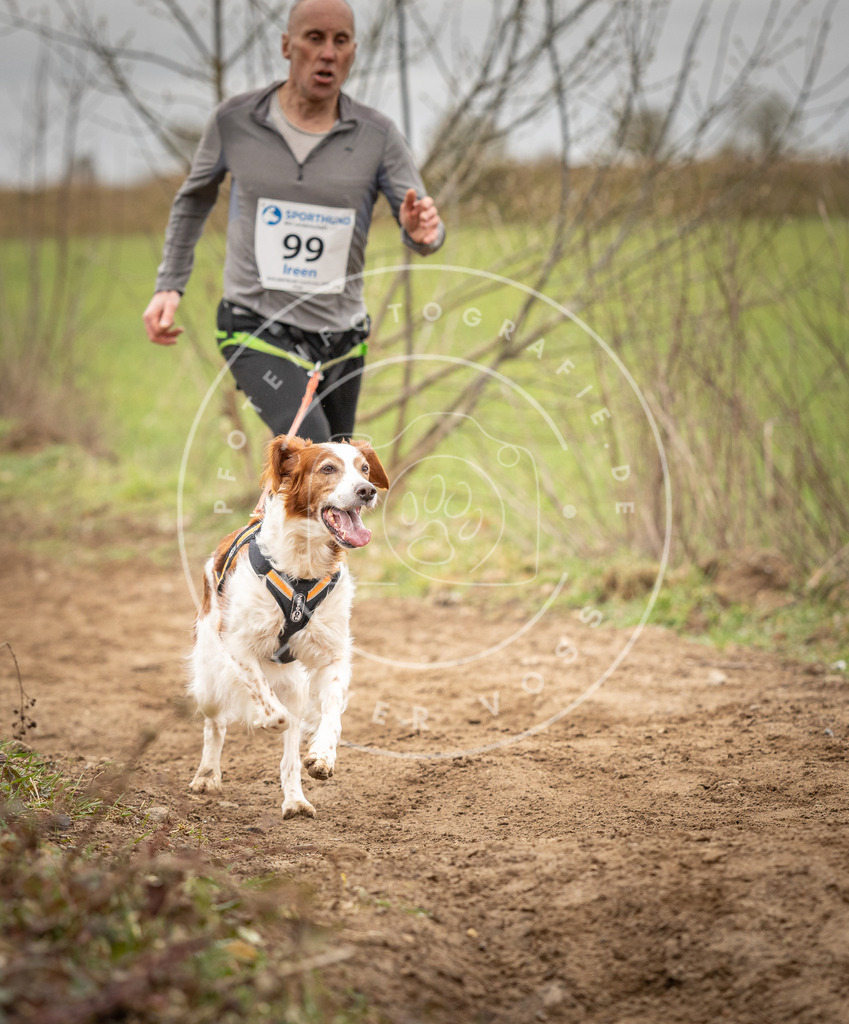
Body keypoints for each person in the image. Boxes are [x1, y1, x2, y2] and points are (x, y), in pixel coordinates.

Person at [142, 0, 444, 443]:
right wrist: (170, 283)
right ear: (287, 45)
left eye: (340, 41)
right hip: (255, 324)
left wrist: (423, 233)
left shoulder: (377, 136)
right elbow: (193, 200)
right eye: (315, 38)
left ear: (353, 53)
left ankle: (272, 516)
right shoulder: (236, 121)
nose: (328, 53)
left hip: (339, 335)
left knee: (335, 479)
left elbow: (422, 225)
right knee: (314, 451)